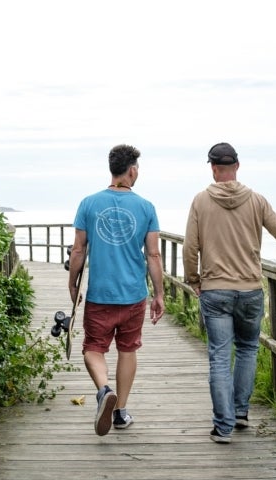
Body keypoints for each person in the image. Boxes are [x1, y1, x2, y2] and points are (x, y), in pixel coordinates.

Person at [182, 142, 276, 444]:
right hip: (250, 290)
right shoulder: (256, 200)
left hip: (215, 292)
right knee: (248, 349)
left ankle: (223, 426)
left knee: (220, 357)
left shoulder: (200, 201)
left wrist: (194, 280)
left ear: (213, 169)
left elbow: (190, 247)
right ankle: (240, 412)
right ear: (237, 166)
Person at [68, 144, 165, 437]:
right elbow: (153, 255)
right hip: (134, 294)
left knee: (93, 349)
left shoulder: (88, 203)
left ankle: (103, 390)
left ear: (113, 169)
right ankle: (120, 412)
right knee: (127, 349)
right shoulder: (147, 207)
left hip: (100, 295)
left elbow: (78, 249)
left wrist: (72, 284)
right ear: (132, 170)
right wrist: (159, 294)